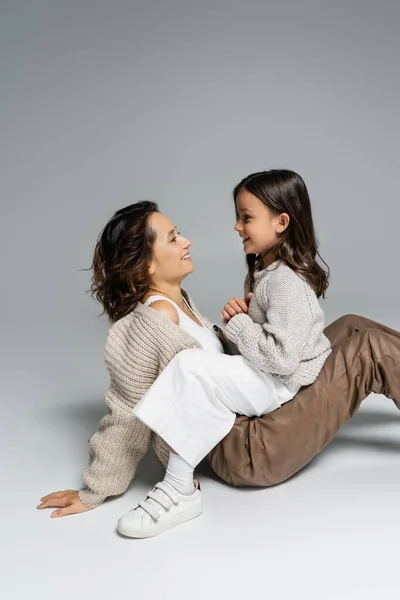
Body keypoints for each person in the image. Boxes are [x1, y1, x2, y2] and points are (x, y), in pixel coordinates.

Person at [37, 178, 400, 540]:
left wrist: (244, 326)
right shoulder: (155, 318)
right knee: (368, 348)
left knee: (353, 326)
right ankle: (178, 492)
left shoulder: (182, 304)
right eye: (173, 238)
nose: (187, 241)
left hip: (260, 411)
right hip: (248, 448)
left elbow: (229, 370)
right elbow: (128, 409)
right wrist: (95, 490)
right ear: (147, 264)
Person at [122, 169, 333, 538]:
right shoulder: (265, 271)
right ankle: (176, 479)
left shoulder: (285, 280)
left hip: (281, 383)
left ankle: (178, 488)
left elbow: (282, 360)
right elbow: (271, 332)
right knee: (194, 369)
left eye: (246, 218)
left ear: (281, 222)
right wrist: (250, 317)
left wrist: (240, 326)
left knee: (191, 366)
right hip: (268, 374)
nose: (237, 226)